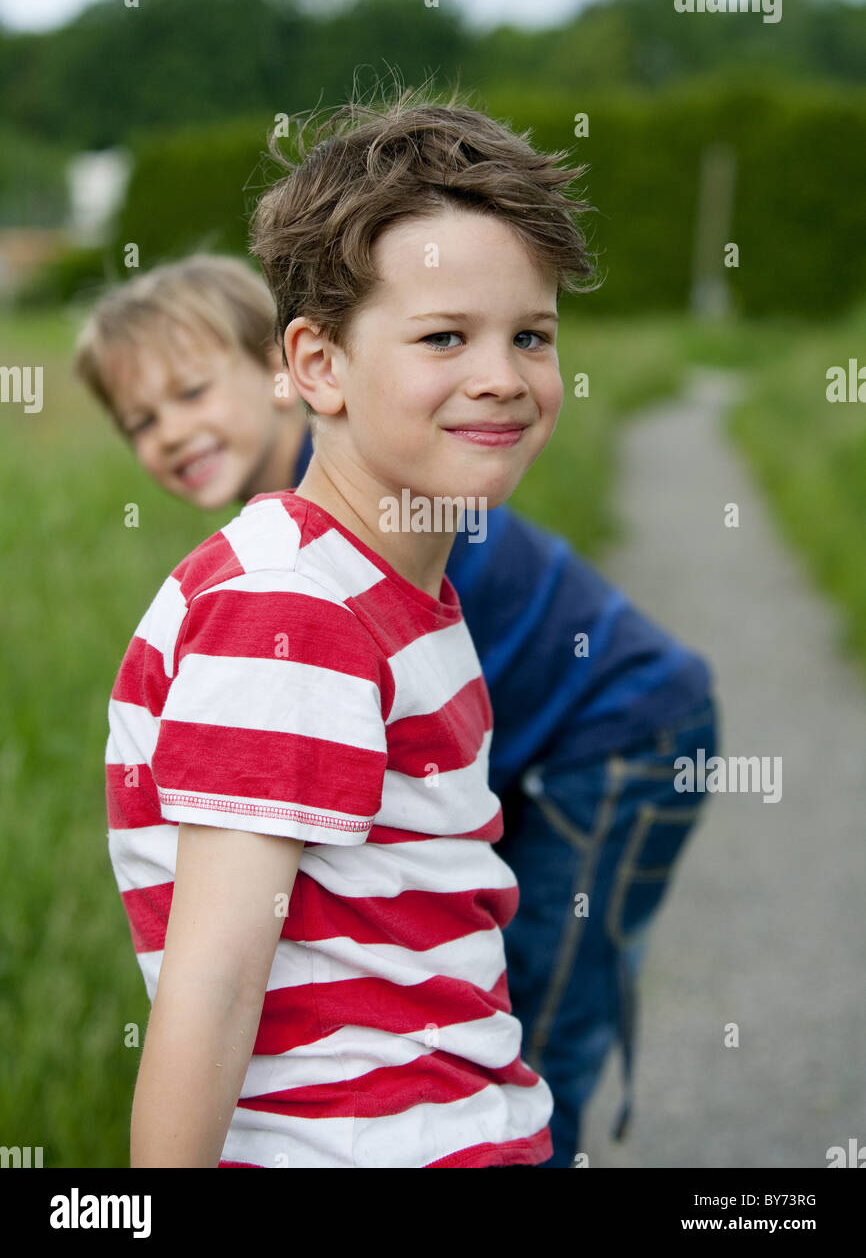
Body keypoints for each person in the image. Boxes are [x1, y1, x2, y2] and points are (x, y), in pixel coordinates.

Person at [79, 82, 719, 1168]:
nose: (501, 378)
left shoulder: (406, 582)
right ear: (315, 366)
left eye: (530, 335)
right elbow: (216, 980)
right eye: (442, 336)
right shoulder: (285, 610)